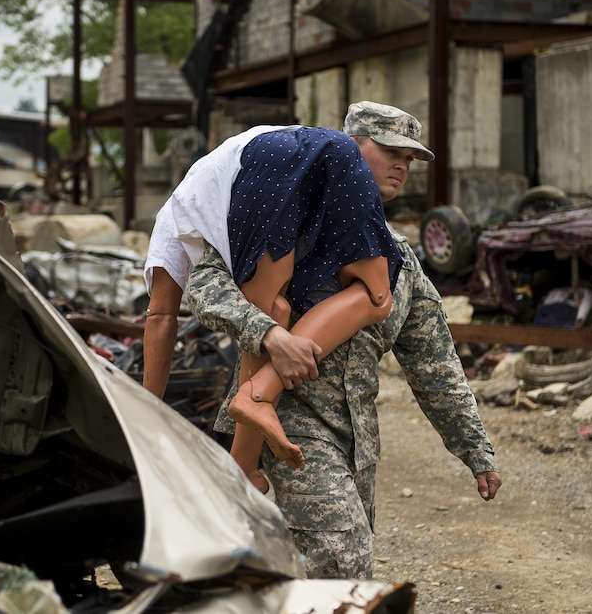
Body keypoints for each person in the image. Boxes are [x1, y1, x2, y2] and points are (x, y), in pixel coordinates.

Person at [184, 101, 502, 579]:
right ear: (349, 149)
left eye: (410, 158)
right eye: (389, 149)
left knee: (300, 569)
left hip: (355, 441)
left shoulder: (399, 261)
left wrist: (475, 451)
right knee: (343, 560)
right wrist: (268, 334)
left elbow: (435, 364)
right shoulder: (283, 218)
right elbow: (203, 285)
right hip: (286, 424)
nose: (402, 164)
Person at [142, 123, 402, 495]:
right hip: (328, 149)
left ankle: (246, 446)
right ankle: (249, 435)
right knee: (377, 297)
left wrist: (147, 411)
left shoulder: (176, 214)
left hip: (268, 162)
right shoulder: (212, 178)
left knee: (267, 313)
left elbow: (161, 317)